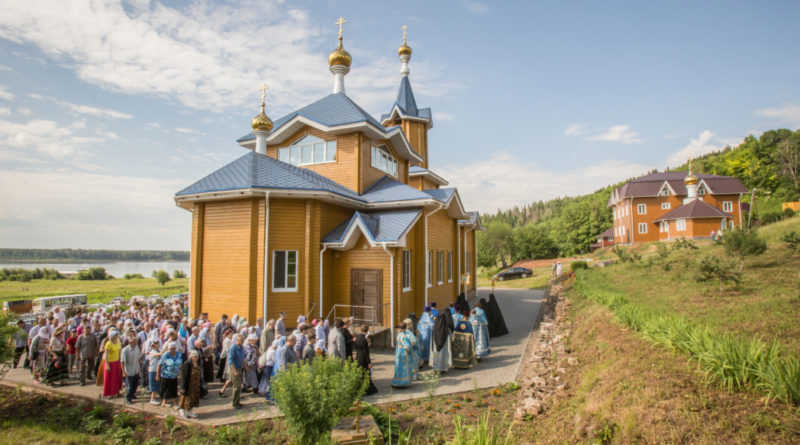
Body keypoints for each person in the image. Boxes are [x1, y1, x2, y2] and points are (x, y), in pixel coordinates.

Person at [354, 325, 378, 395]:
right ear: (367, 331)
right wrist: (369, 362)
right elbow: (366, 352)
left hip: (358, 357)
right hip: (363, 359)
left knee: (361, 373)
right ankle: (367, 389)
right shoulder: (364, 340)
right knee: (366, 374)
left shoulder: (358, 337)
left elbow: (355, 346)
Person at [179, 350, 203, 419]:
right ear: (191, 357)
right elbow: (184, 376)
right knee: (185, 398)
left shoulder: (197, 364)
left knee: (192, 399)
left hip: (195, 385)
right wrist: (183, 387)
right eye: (195, 356)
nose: (197, 357)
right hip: (188, 385)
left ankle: (189, 411)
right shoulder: (187, 364)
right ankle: (182, 410)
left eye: (197, 356)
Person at [157, 342, 182, 408]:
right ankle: (164, 402)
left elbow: (180, 363)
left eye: (173, 349)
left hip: (174, 375)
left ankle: (175, 403)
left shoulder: (178, 354)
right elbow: (159, 364)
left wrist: (181, 373)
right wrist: (157, 375)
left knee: (173, 389)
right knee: (166, 389)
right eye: (170, 349)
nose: (171, 350)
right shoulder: (165, 355)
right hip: (166, 375)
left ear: (175, 348)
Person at [391, 321, 416, 388]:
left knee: (398, 368)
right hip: (404, 355)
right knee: (404, 369)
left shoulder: (399, 334)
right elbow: (407, 347)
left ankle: (396, 382)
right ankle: (402, 383)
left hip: (398, 353)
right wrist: (411, 348)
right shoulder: (404, 336)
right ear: (405, 328)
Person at [121, 336, 143, 404]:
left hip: (136, 369)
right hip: (129, 370)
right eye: (134, 341)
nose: (136, 342)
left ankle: (132, 394)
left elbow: (139, 358)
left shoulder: (136, 348)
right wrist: (123, 372)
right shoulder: (125, 350)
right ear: (130, 342)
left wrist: (140, 366)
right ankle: (128, 398)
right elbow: (122, 362)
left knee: (135, 384)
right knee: (129, 385)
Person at [102, 330, 123, 397]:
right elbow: (106, 355)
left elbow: (120, 350)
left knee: (117, 377)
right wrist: (107, 365)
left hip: (117, 361)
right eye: (116, 335)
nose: (117, 336)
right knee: (110, 378)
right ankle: (110, 393)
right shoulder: (108, 344)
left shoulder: (118, 341)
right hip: (110, 362)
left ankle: (117, 391)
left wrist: (120, 360)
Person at [228, 333, 245, 409]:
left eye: (243, 340)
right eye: (241, 340)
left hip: (239, 367)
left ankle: (237, 401)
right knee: (236, 386)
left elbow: (243, 358)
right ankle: (234, 403)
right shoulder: (233, 348)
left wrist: (245, 366)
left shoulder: (242, 348)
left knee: (239, 386)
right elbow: (230, 360)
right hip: (234, 368)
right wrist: (234, 371)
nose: (242, 342)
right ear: (237, 340)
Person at [147, 339, 163, 405]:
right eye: (157, 343)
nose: (159, 344)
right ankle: (152, 399)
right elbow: (159, 354)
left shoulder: (158, 350)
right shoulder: (152, 352)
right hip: (153, 370)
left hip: (158, 370)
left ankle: (158, 396)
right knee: (153, 385)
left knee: (158, 384)